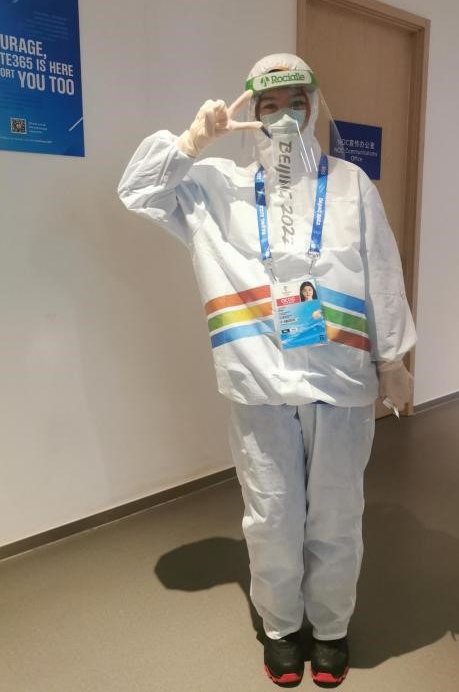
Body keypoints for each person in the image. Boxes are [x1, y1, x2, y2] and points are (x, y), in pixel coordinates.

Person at [118, 53, 416, 688]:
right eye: (269, 104)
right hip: (258, 383)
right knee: (273, 517)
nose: (283, 116)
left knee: (337, 517)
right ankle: (282, 629)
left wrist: (392, 359)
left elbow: (383, 273)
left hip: (341, 382)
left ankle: (330, 629)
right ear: (252, 112)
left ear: (314, 105)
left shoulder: (351, 186)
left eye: (295, 102)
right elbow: (138, 191)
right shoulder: (216, 187)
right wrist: (192, 142)